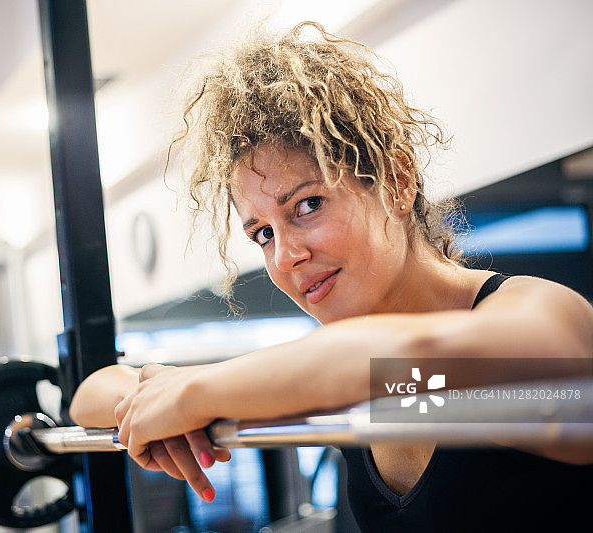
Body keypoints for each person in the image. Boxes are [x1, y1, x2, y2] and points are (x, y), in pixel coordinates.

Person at [70, 22, 593, 531]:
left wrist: (194, 394)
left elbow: (390, 363)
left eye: (307, 204)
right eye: (263, 234)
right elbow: (91, 396)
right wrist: (178, 392)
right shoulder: (329, 375)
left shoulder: (537, 311)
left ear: (396, 180)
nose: (284, 257)